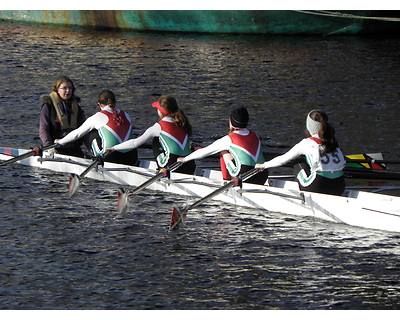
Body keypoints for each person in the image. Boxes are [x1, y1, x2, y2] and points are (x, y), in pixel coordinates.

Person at [256, 110, 346, 196]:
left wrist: (263, 165)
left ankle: (301, 191)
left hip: (318, 186)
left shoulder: (306, 143)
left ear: (309, 126)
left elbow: (282, 160)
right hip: (339, 186)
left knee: (297, 161)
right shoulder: (334, 142)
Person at [178, 107, 268, 185]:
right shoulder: (255, 136)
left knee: (223, 151)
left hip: (243, 177)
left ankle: (225, 180)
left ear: (231, 123)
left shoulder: (228, 139)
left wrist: (185, 159)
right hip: (263, 175)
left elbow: (204, 152)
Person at [107, 95, 195, 174]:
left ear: (160, 111)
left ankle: (162, 169)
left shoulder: (159, 126)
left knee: (156, 140)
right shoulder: (182, 123)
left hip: (171, 167)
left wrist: (114, 148)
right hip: (190, 165)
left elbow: (135, 143)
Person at [55, 89, 138, 166]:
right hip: (132, 157)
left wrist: (61, 142)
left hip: (110, 158)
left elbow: (77, 134)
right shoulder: (126, 114)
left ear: (99, 104)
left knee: (93, 131)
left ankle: (95, 157)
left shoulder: (97, 117)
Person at [39, 75, 90, 157]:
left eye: (70, 88)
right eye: (64, 88)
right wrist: (48, 147)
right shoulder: (48, 106)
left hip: (74, 149)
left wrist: (91, 149)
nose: (68, 91)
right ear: (57, 90)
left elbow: (85, 130)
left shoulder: (77, 108)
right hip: (55, 149)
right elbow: (43, 129)